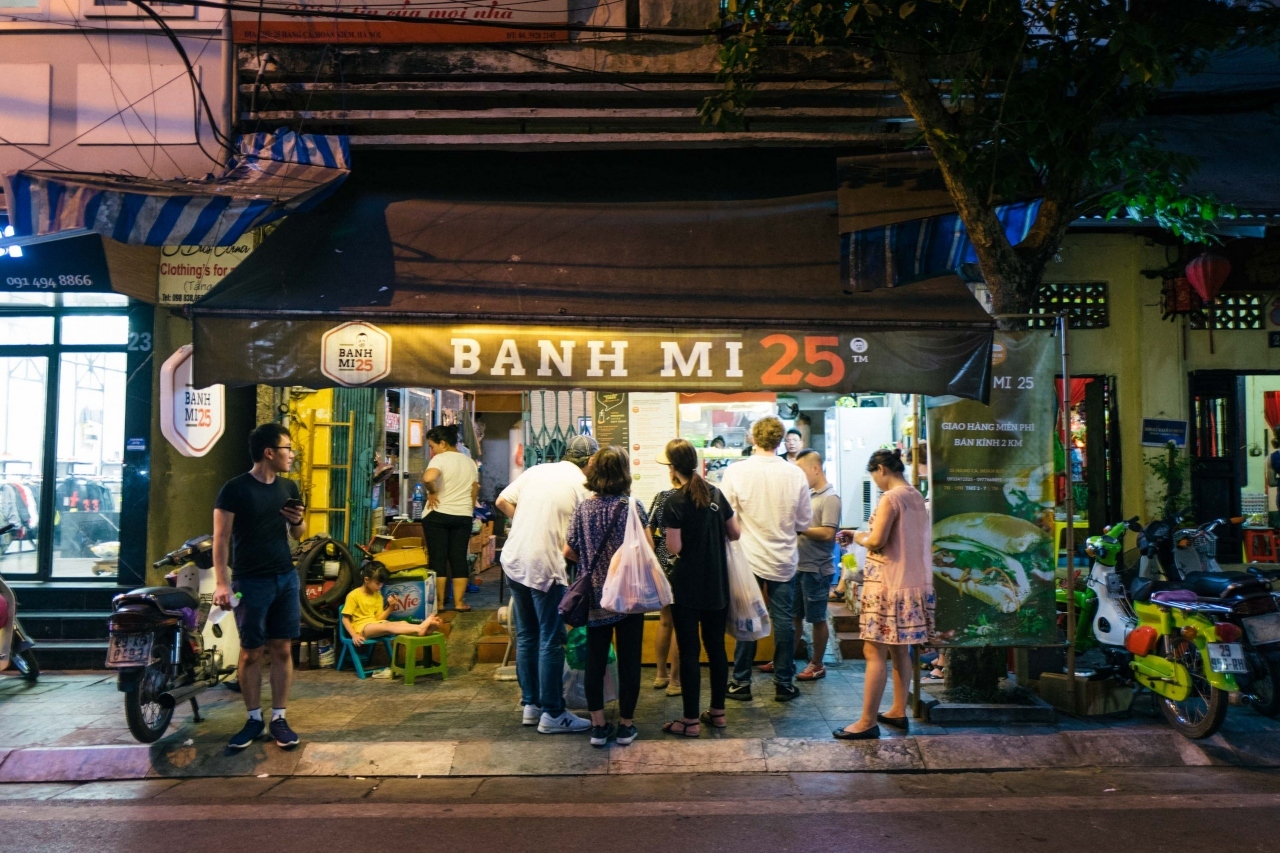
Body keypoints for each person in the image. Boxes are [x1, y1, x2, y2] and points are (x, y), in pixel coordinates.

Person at [212, 423, 306, 750]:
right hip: (250, 580)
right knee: (251, 652)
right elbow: (221, 539)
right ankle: (253, 719)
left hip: (285, 577)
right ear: (269, 452)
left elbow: (298, 534)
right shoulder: (234, 489)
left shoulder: (289, 486)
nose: (291, 454)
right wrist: (222, 583)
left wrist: (297, 521)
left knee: (282, 647)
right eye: (287, 449)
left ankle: (279, 718)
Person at [495, 434, 596, 734]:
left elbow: (502, 501)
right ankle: (553, 712)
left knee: (527, 636)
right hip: (546, 565)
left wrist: (527, 521)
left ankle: (531, 705)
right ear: (590, 462)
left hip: (514, 559)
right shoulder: (582, 485)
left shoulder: (535, 470)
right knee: (551, 638)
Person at [834, 449, 934, 740]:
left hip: (888, 585)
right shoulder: (915, 495)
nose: (875, 482)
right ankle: (897, 710)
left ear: (881, 469)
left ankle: (866, 721)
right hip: (913, 583)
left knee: (873, 650)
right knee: (900, 648)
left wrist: (856, 537)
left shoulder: (890, 498)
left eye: (874, 475)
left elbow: (877, 540)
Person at [719, 417, 812, 702]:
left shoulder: (736, 471)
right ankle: (784, 683)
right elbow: (804, 521)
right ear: (781, 440)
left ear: (753, 438)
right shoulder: (795, 473)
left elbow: (725, 515)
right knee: (784, 619)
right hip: (783, 556)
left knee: (746, 616)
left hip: (746, 556)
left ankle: (741, 682)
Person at [564, 446, 651, 747]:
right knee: (630, 662)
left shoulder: (583, 508)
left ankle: (598, 726)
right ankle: (626, 725)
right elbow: (647, 548)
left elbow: (569, 551)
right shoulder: (632, 506)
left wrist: (592, 561)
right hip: (628, 596)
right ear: (623, 472)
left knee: (595, 661)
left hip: (596, 598)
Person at [657, 439, 741, 737]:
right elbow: (736, 533)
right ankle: (718, 713)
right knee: (716, 648)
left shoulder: (674, 501)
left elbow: (674, 546)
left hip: (687, 586)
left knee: (689, 651)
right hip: (716, 584)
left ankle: (690, 721)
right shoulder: (715, 493)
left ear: (672, 468)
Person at [791, 450, 840, 681]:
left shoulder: (830, 497)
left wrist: (799, 528)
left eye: (801, 471)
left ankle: (817, 664)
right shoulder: (809, 495)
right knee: (794, 617)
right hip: (799, 567)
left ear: (815, 468)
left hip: (817, 570)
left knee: (817, 618)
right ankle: (785, 659)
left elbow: (829, 533)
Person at [421, 424, 479, 612]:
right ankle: (460, 603)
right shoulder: (469, 461)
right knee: (458, 559)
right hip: (462, 516)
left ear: (443, 444)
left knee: (438, 559)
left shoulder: (440, 459)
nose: (432, 450)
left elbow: (429, 478)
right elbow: (474, 489)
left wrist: (432, 492)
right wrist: (468, 509)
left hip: (437, 514)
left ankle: (438, 603)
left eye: (432, 446)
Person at [343, 562, 443, 645]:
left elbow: (378, 618)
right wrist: (354, 635)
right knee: (387, 626)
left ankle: (425, 630)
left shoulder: (377, 595)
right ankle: (420, 628)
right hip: (361, 628)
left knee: (402, 623)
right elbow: (345, 619)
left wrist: (391, 607)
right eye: (377, 583)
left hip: (375, 624)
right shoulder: (353, 595)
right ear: (366, 580)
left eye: (382, 584)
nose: (380, 587)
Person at [648, 484, 682, 697]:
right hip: (684, 562)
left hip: (662, 563)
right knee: (681, 624)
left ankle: (661, 674)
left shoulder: (661, 497)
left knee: (664, 620)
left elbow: (648, 530)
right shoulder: (696, 496)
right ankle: (675, 681)